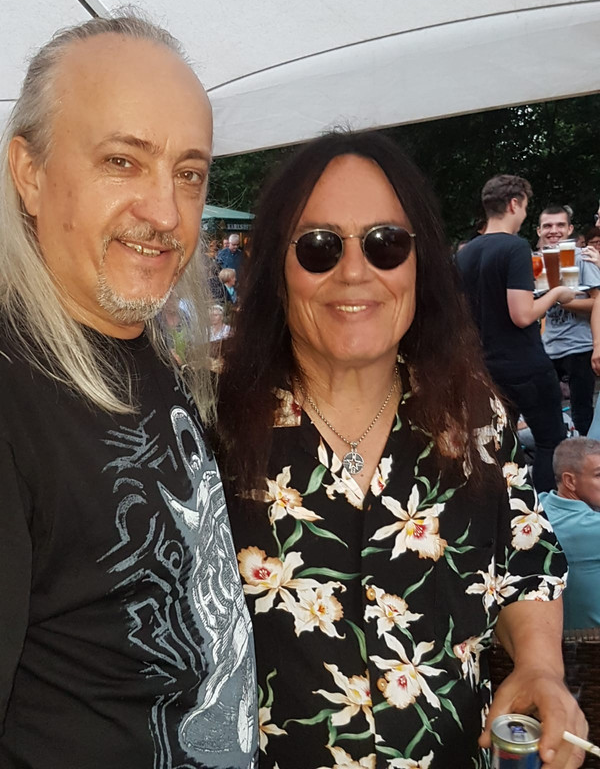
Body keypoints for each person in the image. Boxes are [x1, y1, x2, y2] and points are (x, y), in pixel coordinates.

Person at [214, 132, 585, 768]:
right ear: (277, 268)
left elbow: (526, 557)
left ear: (420, 263)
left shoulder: (474, 416)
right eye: (319, 246)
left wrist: (540, 666)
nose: (355, 272)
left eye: (385, 243)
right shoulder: (212, 428)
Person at [0, 13, 257, 768]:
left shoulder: (140, 350)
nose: (166, 213)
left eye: (189, 173)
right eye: (123, 160)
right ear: (29, 173)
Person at [456, 175, 574, 492]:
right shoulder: (515, 247)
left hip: (484, 368)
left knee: (497, 446)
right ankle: (548, 509)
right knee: (550, 442)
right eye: (524, 207)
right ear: (514, 204)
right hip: (525, 366)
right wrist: (557, 293)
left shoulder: (464, 254)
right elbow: (522, 315)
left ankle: (506, 509)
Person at [537, 206, 600, 435]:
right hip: (550, 347)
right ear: (539, 231)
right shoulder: (536, 261)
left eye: (560, 225)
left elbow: (597, 302)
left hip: (580, 346)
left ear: (570, 229)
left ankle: (588, 454)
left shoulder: (582, 257)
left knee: (582, 413)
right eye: (547, 226)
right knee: (545, 410)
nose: (553, 230)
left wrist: (559, 300)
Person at [539, 438, 600, 629]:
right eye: (599, 475)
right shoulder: (591, 528)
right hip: (590, 641)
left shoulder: (539, 505)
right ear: (570, 481)